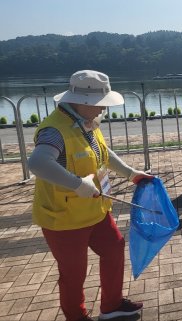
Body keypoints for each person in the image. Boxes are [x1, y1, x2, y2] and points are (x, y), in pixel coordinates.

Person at [28, 70, 152, 321]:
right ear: (80, 102)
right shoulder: (54, 130)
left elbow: (103, 152)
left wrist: (130, 173)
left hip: (95, 210)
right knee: (74, 271)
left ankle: (112, 305)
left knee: (114, 248)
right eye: (98, 105)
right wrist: (76, 184)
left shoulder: (86, 122)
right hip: (64, 218)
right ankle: (77, 316)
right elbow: (38, 163)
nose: (101, 110)